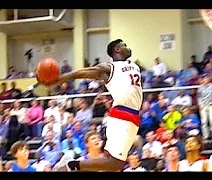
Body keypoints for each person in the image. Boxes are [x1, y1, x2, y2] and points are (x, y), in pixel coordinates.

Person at [38, 39, 143, 172]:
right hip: (121, 115)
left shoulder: (134, 66)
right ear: (117, 49)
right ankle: (72, 166)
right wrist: (56, 80)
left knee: (114, 165)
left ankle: (73, 165)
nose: (128, 48)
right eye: (125, 46)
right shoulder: (108, 68)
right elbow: (79, 73)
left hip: (134, 116)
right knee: (113, 163)